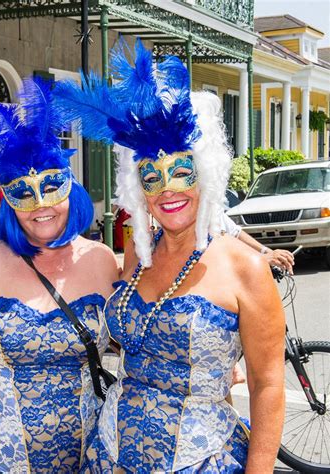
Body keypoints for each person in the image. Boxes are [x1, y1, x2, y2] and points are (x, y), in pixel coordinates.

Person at [55, 39, 285, 473]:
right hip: (107, 455)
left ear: (207, 173)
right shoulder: (137, 256)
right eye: (152, 177)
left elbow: (268, 383)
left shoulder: (245, 268)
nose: (168, 190)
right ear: (137, 187)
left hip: (200, 460)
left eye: (182, 171)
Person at [0, 77, 119, 473]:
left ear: (71, 188)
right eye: (23, 193)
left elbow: (137, 338)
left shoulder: (101, 261)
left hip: (91, 458)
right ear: (8, 200)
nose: (40, 205)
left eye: (51, 186)